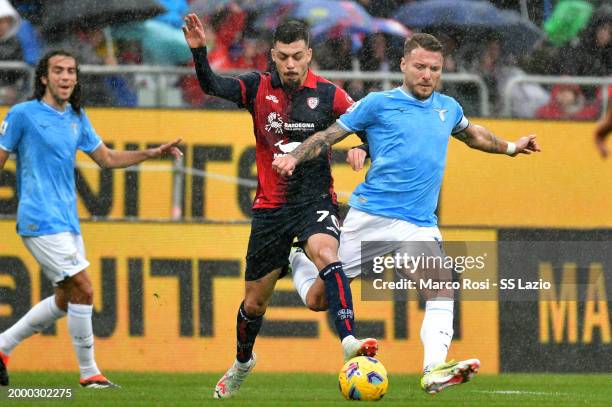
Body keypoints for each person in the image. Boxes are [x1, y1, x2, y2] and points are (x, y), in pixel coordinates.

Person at [273, 33, 541, 394]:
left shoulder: (448, 108)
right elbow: (329, 135)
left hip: (419, 224)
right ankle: (297, 261)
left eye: (434, 68)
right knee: (320, 300)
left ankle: (433, 369)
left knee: (441, 288)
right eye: (419, 67)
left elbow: (473, 135)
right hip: (372, 218)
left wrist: (511, 147)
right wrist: (295, 155)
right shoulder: (378, 104)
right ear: (403, 65)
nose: (427, 75)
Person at [182, 14, 377, 399]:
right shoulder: (257, 87)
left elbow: (369, 122)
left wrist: (363, 145)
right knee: (254, 304)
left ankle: (349, 341)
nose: (290, 64)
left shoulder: (329, 94)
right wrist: (200, 52)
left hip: (315, 201)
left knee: (327, 252)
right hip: (271, 209)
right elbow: (212, 85)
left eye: (297, 57)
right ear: (273, 55)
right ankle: (242, 362)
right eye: (283, 56)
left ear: (309, 56)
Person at [0, 50, 182, 388]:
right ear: (44, 77)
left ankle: (3, 346)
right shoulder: (23, 115)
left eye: (71, 71)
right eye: (58, 71)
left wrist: (151, 153)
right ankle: (89, 374)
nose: (66, 77)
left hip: (68, 221)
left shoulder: (75, 117)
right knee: (84, 288)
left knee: (65, 298)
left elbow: (107, 158)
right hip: (39, 218)